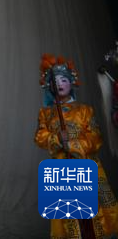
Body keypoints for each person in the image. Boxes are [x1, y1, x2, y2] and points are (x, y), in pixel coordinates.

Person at [35, 54, 118, 238]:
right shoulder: (45, 113)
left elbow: (95, 137)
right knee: (68, 215)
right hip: (61, 168)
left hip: (85, 164)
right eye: (55, 81)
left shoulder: (85, 110)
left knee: (92, 215)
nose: (60, 84)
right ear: (49, 86)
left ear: (71, 83)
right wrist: (57, 138)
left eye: (64, 79)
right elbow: (40, 137)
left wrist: (73, 144)